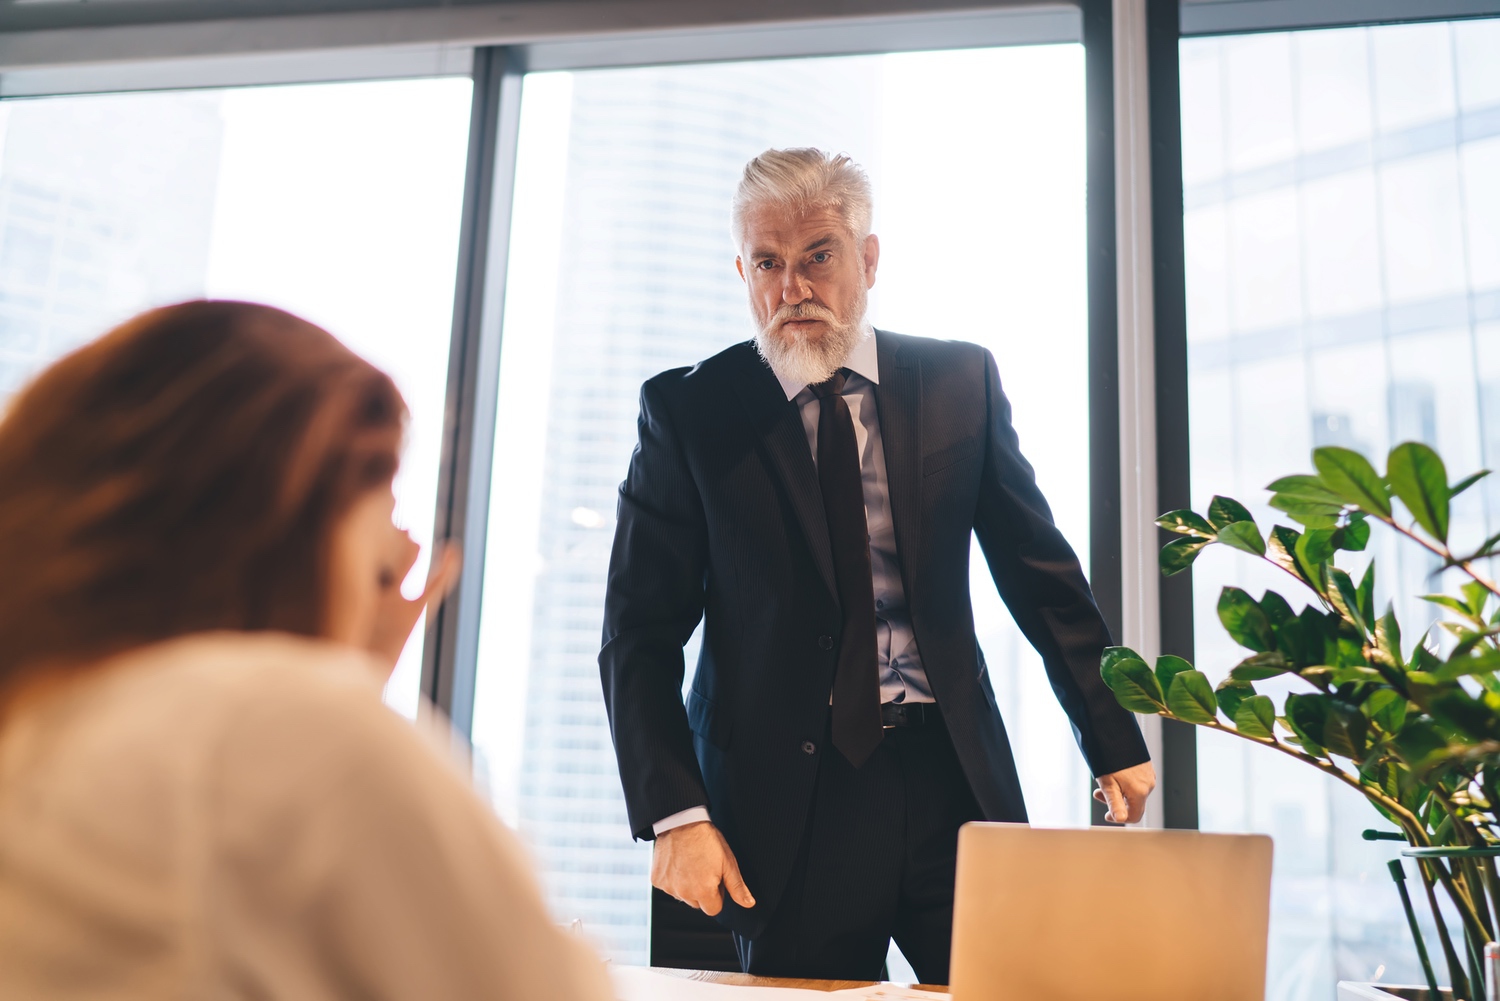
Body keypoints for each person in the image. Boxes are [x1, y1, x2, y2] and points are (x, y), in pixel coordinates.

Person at [600, 148, 1156, 984]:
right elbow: (638, 635)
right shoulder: (688, 411)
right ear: (742, 269)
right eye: (767, 263)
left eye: (818, 255)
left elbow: (1038, 569)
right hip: (783, 805)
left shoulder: (959, 379)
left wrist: (1109, 729)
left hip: (953, 778)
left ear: (866, 258)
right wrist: (677, 812)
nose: (792, 288)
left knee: (1006, 988)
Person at [0, 301, 613, 1001]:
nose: (395, 558)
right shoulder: (281, 731)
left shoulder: (44, 729)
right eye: (379, 534)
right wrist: (340, 690)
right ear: (293, 522)